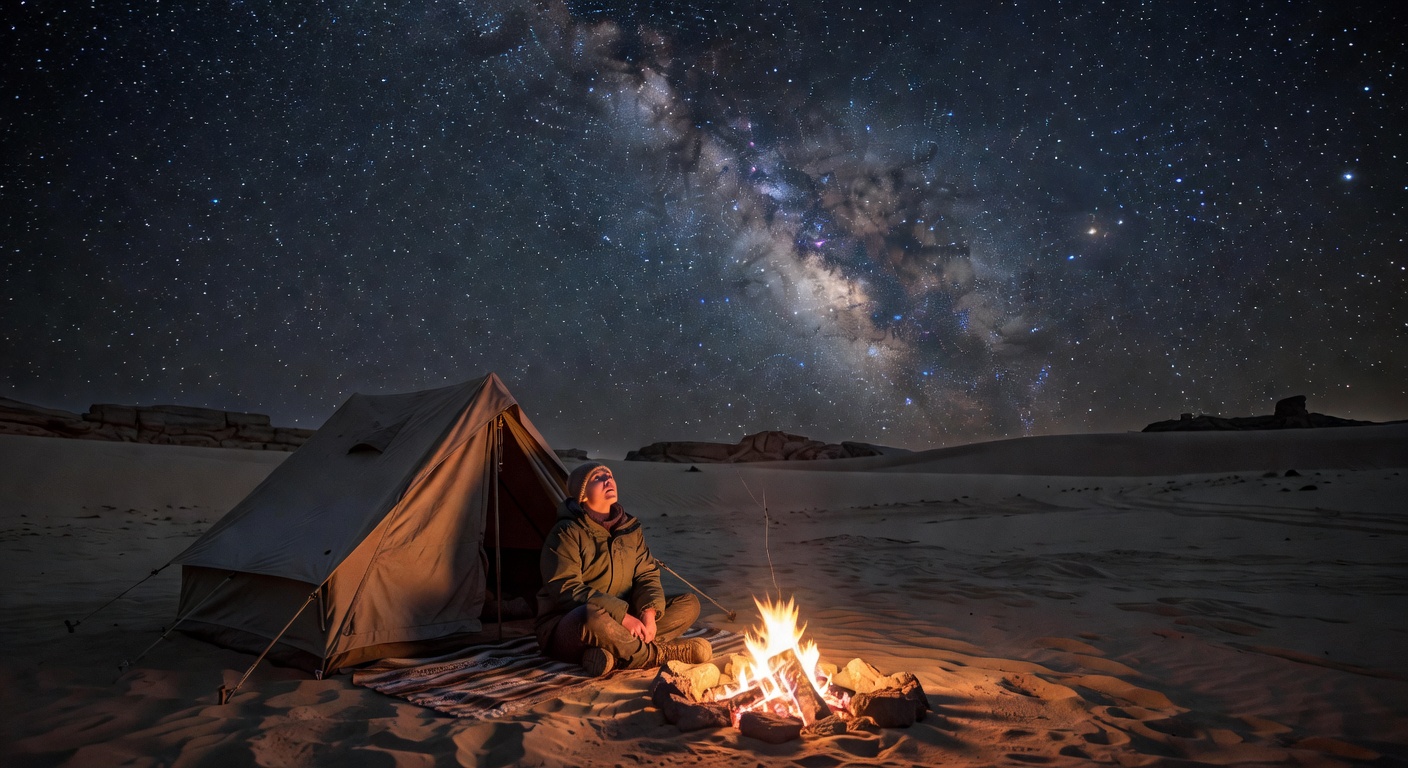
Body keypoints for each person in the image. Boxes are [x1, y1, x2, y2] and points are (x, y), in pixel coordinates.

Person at [535, 462, 712, 676]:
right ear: (582, 494)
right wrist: (622, 617)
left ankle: (613, 652)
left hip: (624, 619)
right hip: (569, 625)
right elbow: (565, 588)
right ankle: (657, 655)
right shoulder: (566, 532)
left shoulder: (629, 529)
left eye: (609, 475)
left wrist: (648, 612)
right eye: (597, 478)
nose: (607, 480)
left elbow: (646, 575)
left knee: (689, 603)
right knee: (589, 616)